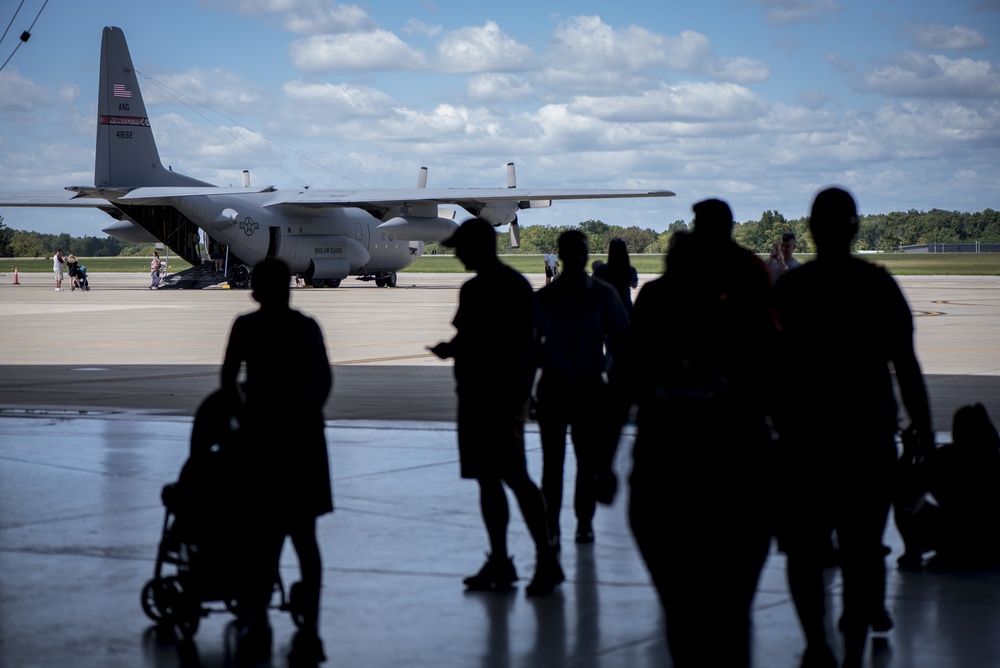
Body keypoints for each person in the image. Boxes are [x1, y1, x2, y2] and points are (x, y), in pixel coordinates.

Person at [772, 187, 933, 668]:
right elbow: (906, 366)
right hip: (867, 440)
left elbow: (769, 369)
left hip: (805, 442)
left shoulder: (792, 291)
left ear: (811, 230)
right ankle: (854, 650)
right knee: (864, 550)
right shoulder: (877, 285)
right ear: (855, 227)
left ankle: (816, 646)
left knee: (804, 550)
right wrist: (922, 435)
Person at [627, 200, 775, 668]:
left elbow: (625, 380)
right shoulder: (743, 280)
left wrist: (600, 461)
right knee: (733, 608)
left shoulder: (656, 299)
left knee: (681, 606)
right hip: (736, 461)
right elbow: (774, 368)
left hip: (666, 464)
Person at [429, 218, 563, 597]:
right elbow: (501, 340)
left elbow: (516, 342)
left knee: (511, 477)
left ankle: (543, 558)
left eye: (461, 247)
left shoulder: (487, 288)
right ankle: (510, 560)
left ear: (479, 247)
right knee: (495, 478)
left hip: (496, 397)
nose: (456, 254)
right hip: (483, 395)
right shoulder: (511, 286)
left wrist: (453, 350)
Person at [221, 258, 333, 665]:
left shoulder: (246, 327)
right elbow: (324, 382)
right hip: (304, 442)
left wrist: (245, 419)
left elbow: (227, 381)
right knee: (306, 541)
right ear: (290, 286)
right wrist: (305, 416)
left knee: (261, 540)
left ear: (256, 289)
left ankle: (258, 618)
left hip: (262, 441)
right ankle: (312, 629)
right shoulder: (307, 327)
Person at [535, 230, 629, 547]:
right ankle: (575, 526)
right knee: (572, 462)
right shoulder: (602, 295)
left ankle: (564, 528)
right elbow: (620, 343)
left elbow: (529, 349)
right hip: (581, 386)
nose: (578, 258)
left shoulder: (547, 298)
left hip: (565, 387)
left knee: (564, 464)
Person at [894, 403, 1000, 572]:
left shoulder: (945, 459)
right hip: (991, 543)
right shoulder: (993, 460)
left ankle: (912, 552)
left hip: (952, 536)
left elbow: (901, 488)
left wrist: (908, 453)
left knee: (905, 500)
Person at [593, 237, 639, 311]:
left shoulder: (601, 269)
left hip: (605, 308)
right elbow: (634, 285)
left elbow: (593, 285)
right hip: (625, 307)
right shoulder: (630, 270)